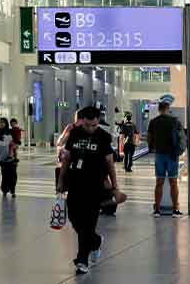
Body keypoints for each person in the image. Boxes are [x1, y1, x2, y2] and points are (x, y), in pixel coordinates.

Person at [57, 106, 121, 275]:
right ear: (81, 121)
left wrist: (115, 187)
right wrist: (61, 180)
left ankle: (82, 260)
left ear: (98, 121)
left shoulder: (103, 137)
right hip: (75, 183)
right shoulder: (75, 133)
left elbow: (110, 164)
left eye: (94, 125)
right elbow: (67, 158)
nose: (91, 129)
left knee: (87, 223)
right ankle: (96, 241)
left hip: (95, 186)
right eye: (87, 125)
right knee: (74, 218)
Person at [147, 100, 184, 217]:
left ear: (159, 109)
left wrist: (151, 148)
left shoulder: (153, 122)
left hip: (159, 155)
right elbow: (181, 136)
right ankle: (175, 210)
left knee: (159, 182)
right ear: (168, 109)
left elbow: (149, 137)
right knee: (173, 182)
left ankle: (157, 210)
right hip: (172, 155)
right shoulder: (174, 121)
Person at [0, 118, 18, 197]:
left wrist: (13, 145)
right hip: (2, 158)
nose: (1, 124)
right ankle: (5, 190)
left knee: (13, 174)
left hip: (12, 157)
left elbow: (16, 142)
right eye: (0, 122)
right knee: (5, 175)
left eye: (3, 122)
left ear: (6, 123)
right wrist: (9, 143)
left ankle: (12, 190)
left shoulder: (11, 132)